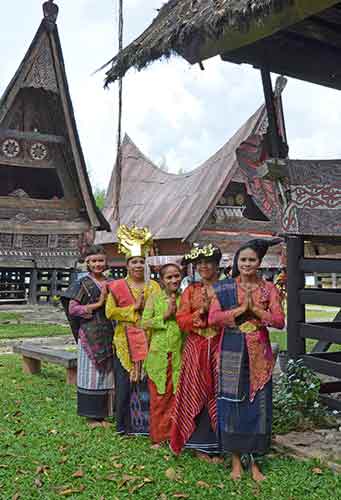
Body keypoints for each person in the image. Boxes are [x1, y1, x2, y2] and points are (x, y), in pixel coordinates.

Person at [208, 238, 285, 481]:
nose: (247, 263)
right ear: (236, 262)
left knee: (258, 407)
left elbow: (279, 321)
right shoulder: (223, 288)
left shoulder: (269, 289)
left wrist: (257, 311)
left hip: (259, 354)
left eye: (252, 260)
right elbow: (213, 318)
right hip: (230, 350)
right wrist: (241, 311)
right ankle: (234, 463)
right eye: (243, 260)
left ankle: (254, 463)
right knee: (230, 405)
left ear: (259, 262)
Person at [105, 225, 160, 435]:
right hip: (124, 340)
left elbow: (159, 311)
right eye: (134, 262)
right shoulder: (117, 286)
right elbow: (110, 312)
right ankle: (122, 426)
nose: (138, 265)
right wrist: (133, 309)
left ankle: (145, 425)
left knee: (147, 382)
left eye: (141, 262)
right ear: (127, 265)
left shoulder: (153, 287)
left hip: (149, 338)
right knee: (124, 384)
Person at [170, 243, 222, 460]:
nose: (204, 266)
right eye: (199, 263)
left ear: (217, 265)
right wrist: (200, 313)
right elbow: (181, 320)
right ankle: (199, 445)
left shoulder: (228, 287)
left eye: (208, 262)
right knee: (195, 390)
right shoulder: (190, 290)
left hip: (221, 345)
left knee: (219, 393)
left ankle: (219, 444)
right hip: (196, 345)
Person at [64, 245, 114, 428]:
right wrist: (98, 304)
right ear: (87, 263)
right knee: (90, 375)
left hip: (110, 333)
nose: (97, 264)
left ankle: (105, 414)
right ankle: (91, 417)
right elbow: (73, 309)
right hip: (89, 334)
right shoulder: (82, 283)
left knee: (108, 375)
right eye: (93, 261)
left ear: (106, 261)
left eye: (100, 260)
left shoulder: (112, 282)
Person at [141, 263, 183, 444]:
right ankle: (159, 438)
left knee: (177, 397)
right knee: (159, 398)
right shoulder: (154, 298)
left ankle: (175, 437)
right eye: (169, 277)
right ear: (162, 280)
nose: (174, 280)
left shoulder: (186, 297)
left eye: (176, 276)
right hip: (158, 356)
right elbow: (144, 323)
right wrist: (165, 316)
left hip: (179, 354)